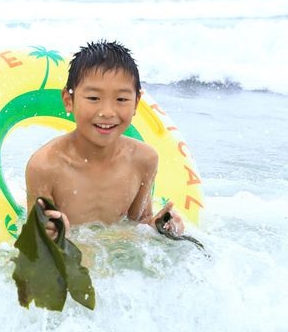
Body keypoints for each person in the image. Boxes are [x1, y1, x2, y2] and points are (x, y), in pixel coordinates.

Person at [25, 41, 185, 240]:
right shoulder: (44, 166)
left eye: (121, 100)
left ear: (136, 103)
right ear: (68, 100)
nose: (107, 112)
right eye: (93, 98)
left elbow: (140, 222)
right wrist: (48, 233)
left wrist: (160, 225)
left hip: (119, 261)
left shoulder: (144, 159)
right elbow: (34, 238)